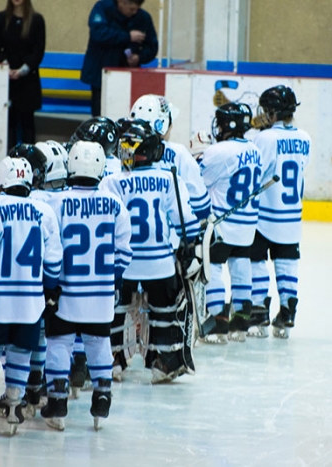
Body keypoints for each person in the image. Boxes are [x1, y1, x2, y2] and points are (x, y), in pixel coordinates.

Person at [40, 140, 132, 431]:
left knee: (59, 343)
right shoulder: (115, 204)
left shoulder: (55, 202)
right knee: (98, 342)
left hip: (66, 292)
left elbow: (51, 249)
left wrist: (50, 284)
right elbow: (124, 252)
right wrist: (112, 280)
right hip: (101, 293)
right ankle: (102, 397)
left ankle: (56, 402)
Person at [100, 120, 199, 384]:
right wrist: (190, 248)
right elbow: (185, 221)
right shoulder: (169, 178)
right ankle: (165, 360)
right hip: (159, 263)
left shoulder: (112, 182)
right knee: (165, 310)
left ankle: (112, 359)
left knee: (115, 309)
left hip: (124, 263)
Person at [0, 156, 63, 435]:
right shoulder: (44, 210)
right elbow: (53, 259)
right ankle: (14, 406)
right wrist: (50, 289)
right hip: (31, 299)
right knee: (21, 352)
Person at [249, 85, 311, 339]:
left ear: (273, 113)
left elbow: (257, 173)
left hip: (265, 213)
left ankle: (259, 311)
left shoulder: (264, 139)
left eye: (266, 111)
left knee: (256, 258)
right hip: (292, 214)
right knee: (287, 261)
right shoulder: (305, 137)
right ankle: (287, 311)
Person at [198, 102, 263, 344]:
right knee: (241, 265)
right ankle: (241, 321)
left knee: (213, 266)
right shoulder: (254, 149)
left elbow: (200, 181)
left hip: (222, 223)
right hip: (248, 224)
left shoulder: (220, 151)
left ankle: (217, 322)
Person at [129, 94, 211, 221]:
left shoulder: (122, 152)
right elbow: (201, 208)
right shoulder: (179, 153)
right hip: (169, 237)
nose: (171, 127)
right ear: (161, 124)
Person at [81, 0, 158, 117]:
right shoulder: (102, 9)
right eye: (131, 9)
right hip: (101, 73)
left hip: (128, 76)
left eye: (137, 9)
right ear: (122, 2)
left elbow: (152, 46)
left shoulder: (143, 18)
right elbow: (98, 34)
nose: (134, 12)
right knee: (100, 112)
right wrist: (127, 37)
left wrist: (139, 57)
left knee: (125, 112)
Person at [0, 0, 46, 150]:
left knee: (27, 123)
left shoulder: (37, 20)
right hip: (6, 79)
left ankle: (30, 160)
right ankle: (8, 159)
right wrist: (5, 66)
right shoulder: (1, 19)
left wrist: (23, 69)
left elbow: (38, 51)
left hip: (28, 80)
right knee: (9, 123)